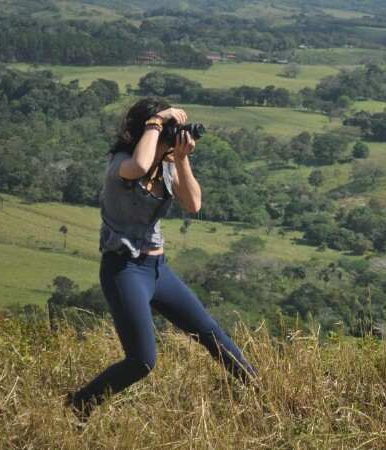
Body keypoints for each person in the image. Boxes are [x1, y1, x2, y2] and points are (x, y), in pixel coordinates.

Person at [64, 97, 258, 423]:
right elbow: (139, 166)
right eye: (163, 131)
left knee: (211, 334)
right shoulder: (120, 165)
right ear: (146, 131)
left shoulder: (167, 167)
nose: (169, 136)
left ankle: (260, 390)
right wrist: (158, 120)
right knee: (142, 360)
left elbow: (193, 203)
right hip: (124, 269)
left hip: (157, 269)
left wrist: (181, 159)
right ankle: (79, 404)